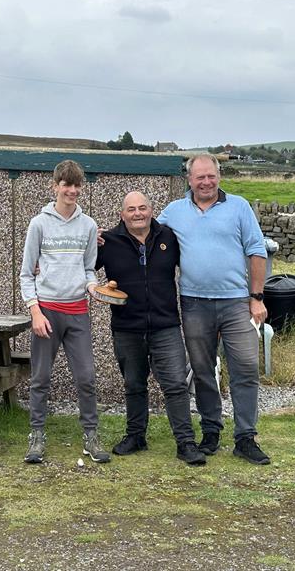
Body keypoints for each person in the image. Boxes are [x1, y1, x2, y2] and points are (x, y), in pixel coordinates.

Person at [158, 153, 271, 465]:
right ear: (189, 180)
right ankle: (211, 430)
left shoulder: (239, 207)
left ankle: (246, 437)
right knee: (203, 369)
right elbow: (145, 236)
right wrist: (105, 238)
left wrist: (256, 297)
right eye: (199, 177)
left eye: (211, 176)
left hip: (237, 302)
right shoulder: (174, 211)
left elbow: (257, 251)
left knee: (245, 367)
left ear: (218, 177)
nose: (206, 182)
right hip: (194, 303)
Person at [96, 191, 206, 466]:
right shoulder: (107, 241)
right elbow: (79, 266)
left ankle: (186, 443)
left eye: (142, 208)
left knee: (175, 386)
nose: (137, 213)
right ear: (122, 215)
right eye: (131, 209)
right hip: (126, 327)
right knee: (134, 385)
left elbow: (198, 261)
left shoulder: (168, 237)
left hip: (165, 326)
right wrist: (42, 267)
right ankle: (135, 437)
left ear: (151, 210)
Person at [19, 160, 110, 464]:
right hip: (47, 312)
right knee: (40, 378)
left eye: (76, 185)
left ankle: (91, 436)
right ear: (54, 186)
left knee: (86, 377)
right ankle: (36, 437)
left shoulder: (89, 225)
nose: (72, 190)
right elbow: (25, 274)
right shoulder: (39, 224)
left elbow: (88, 269)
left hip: (78, 312)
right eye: (66, 184)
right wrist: (35, 312)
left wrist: (94, 288)